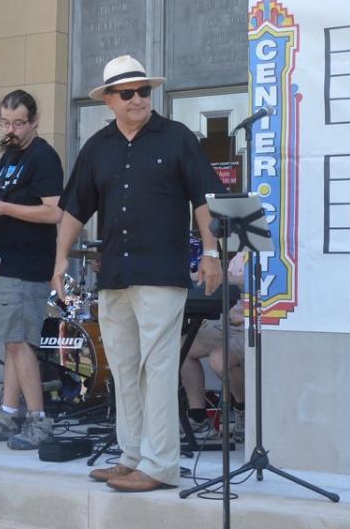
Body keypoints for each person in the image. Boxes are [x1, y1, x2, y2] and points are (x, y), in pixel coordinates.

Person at [55, 55, 223, 493]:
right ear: (109, 100)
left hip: (162, 273)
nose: (138, 99)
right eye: (127, 93)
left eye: (144, 91)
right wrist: (59, 261)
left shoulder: (178, 137)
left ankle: (160, 465)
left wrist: (211, 253)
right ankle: (131, 456)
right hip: (115, 275)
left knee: (159, 368)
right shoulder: (98, 146)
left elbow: (205, 199)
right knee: (125, 369)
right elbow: (74, 209)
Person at [0, 90, 64, 450]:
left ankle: (38, 419)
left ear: (34, 121)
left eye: (18, 123)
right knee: (12, 342)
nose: (10, 130)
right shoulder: (7, 157)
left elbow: (55, 211)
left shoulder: (43, 157)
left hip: (27, 264)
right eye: (5, 123)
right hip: (5, 261)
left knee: (20, 344)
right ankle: (7, 414)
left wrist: (2, 208)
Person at [181, 253, 248, 442]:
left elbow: (254, 279)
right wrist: (191, 276)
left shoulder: (277, 251)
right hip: (227, 325)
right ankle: (198, 418)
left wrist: (219, 278)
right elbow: (219, 282)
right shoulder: (239, 257)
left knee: (219, 359)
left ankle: (243, 411)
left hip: (255, 327)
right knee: (183, 347)